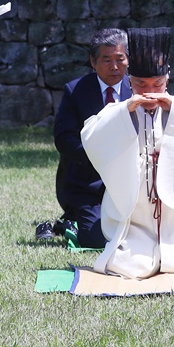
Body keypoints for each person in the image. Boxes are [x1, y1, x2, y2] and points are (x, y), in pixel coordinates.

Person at [80, 27, 174, 279]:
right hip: (137, 215)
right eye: (141, 84)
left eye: (157, 84)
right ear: (129, 81)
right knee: (127, 266)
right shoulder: (120, 110)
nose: (149, 91)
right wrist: (125, 109)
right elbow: (91, 135)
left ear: (167, 79)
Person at [48, 28, 132, 247]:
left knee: (137, 235)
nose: (114, 67)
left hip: (132, 183)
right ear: (93, 62)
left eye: (120, 59)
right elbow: (64, 139)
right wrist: (100, 157)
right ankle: (71, 223)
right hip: (89, 185)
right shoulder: (76, 91)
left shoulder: (138, 89)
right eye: (106, 60)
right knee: (97, 239)